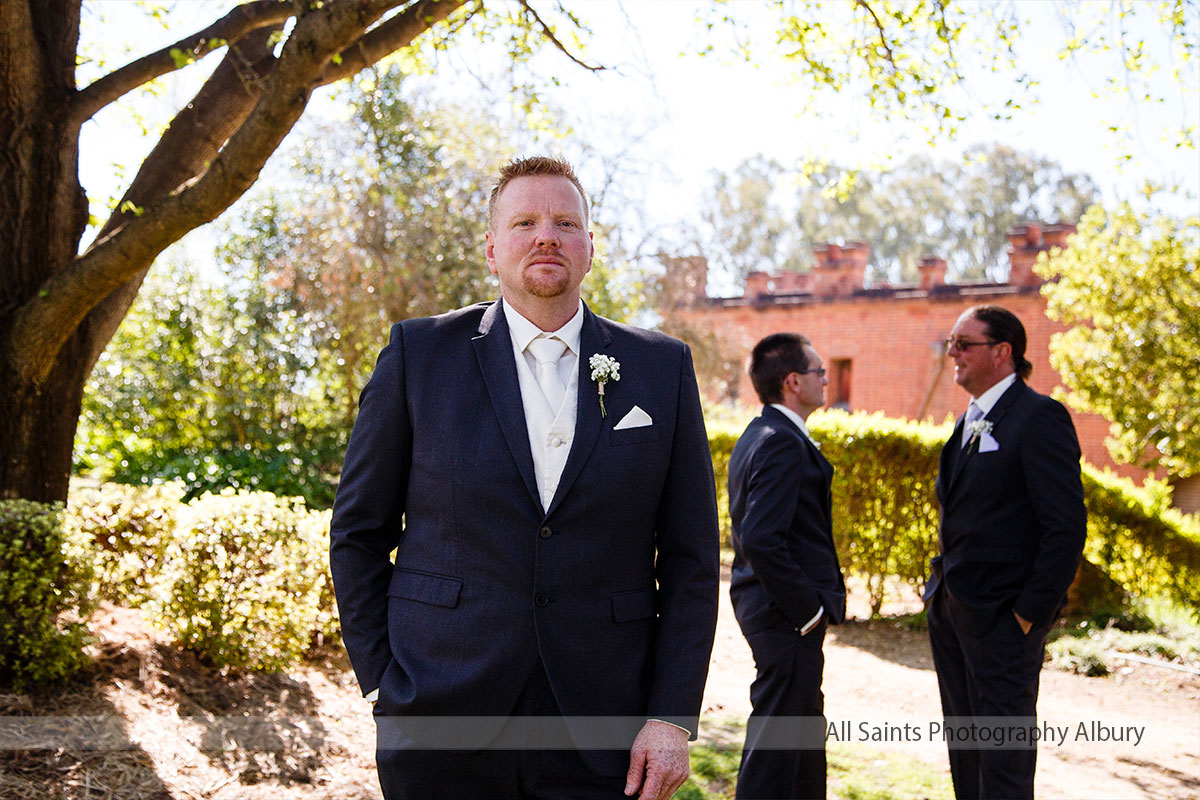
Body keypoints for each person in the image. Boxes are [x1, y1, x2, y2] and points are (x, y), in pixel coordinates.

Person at [329, 156, 720, 800]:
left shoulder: (661, 368)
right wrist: (384, 678)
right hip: (440, 713)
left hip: (603, 721)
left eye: (566, 222)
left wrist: (671, 714)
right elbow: (358, 530)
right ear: (491, 248)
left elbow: (691, 559)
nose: (546, 236)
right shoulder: (418, 356)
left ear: (590, 247)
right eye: (525, 222)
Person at [925, 305, 1087, 800]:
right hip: (952, 614)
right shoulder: (965, 422)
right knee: (965, 751)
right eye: (950, 342)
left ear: (1002, 352)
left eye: (964, 344)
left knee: (1003, 764)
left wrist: (1026, 615)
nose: (952, 352)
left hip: (1003, 623)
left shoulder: (1040, 417)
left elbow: (1065, 528)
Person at [727, 333, 847, 800]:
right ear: (794, 381)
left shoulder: (761, 434)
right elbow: (760, 536)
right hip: (785, 615)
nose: (826, 379)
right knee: (776, 745)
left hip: (780, 613)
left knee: (800, 737)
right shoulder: (779, 441)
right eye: (820, 372)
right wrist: (808, 611)